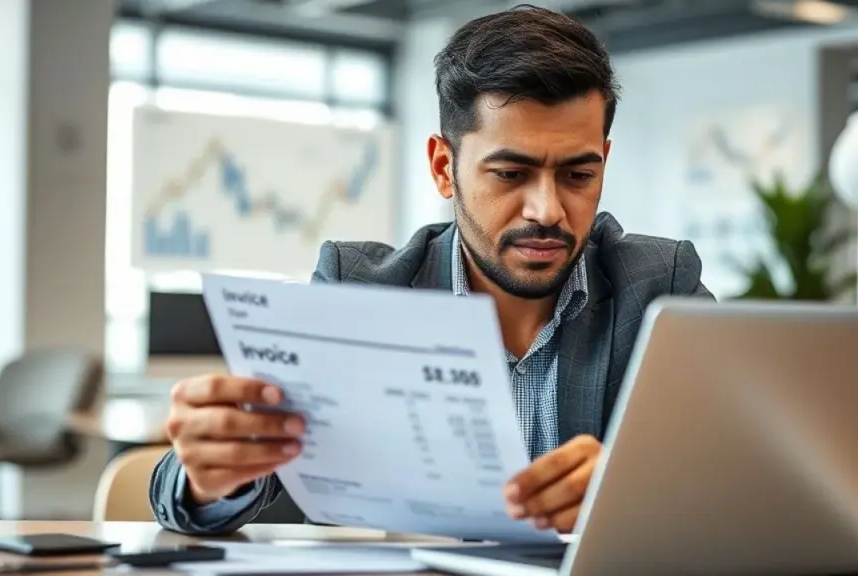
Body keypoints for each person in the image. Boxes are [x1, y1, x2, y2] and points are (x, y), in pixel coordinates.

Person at [149, 3, 714, 536]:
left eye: (578, 176)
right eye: (511, 174)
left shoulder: (660, 288)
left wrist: (637, 491)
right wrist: (207, 479)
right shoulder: (359, 290)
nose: (547, 211)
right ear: (445, 169)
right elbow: (206, 486)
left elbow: (740, 473)